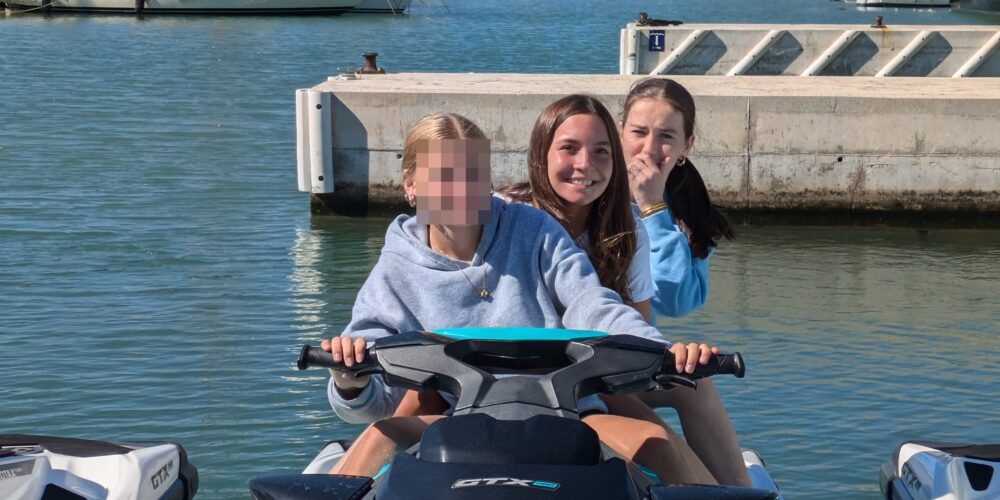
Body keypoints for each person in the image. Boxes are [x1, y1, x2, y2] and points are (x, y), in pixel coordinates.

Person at [322, 112, 722, 485]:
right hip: (455, 418)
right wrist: (349, 381)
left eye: (473, 175)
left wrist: (661, 352)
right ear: (411, 184)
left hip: (566, 411)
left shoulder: (533, 229)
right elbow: (373, 400)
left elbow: (591, 303)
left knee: (656, 442)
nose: (460, 190)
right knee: (378, 435)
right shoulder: (395, 268)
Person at [500, 92, 750, 487]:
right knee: (655, 441)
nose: (585, 163)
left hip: (600, 374)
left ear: (687, 144)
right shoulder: (508, 215)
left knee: (689, 393)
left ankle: (737, 490)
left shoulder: (634, 225)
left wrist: (653, 208)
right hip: (521, 378)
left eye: (666, 136)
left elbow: (648, 326)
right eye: (569, 148)